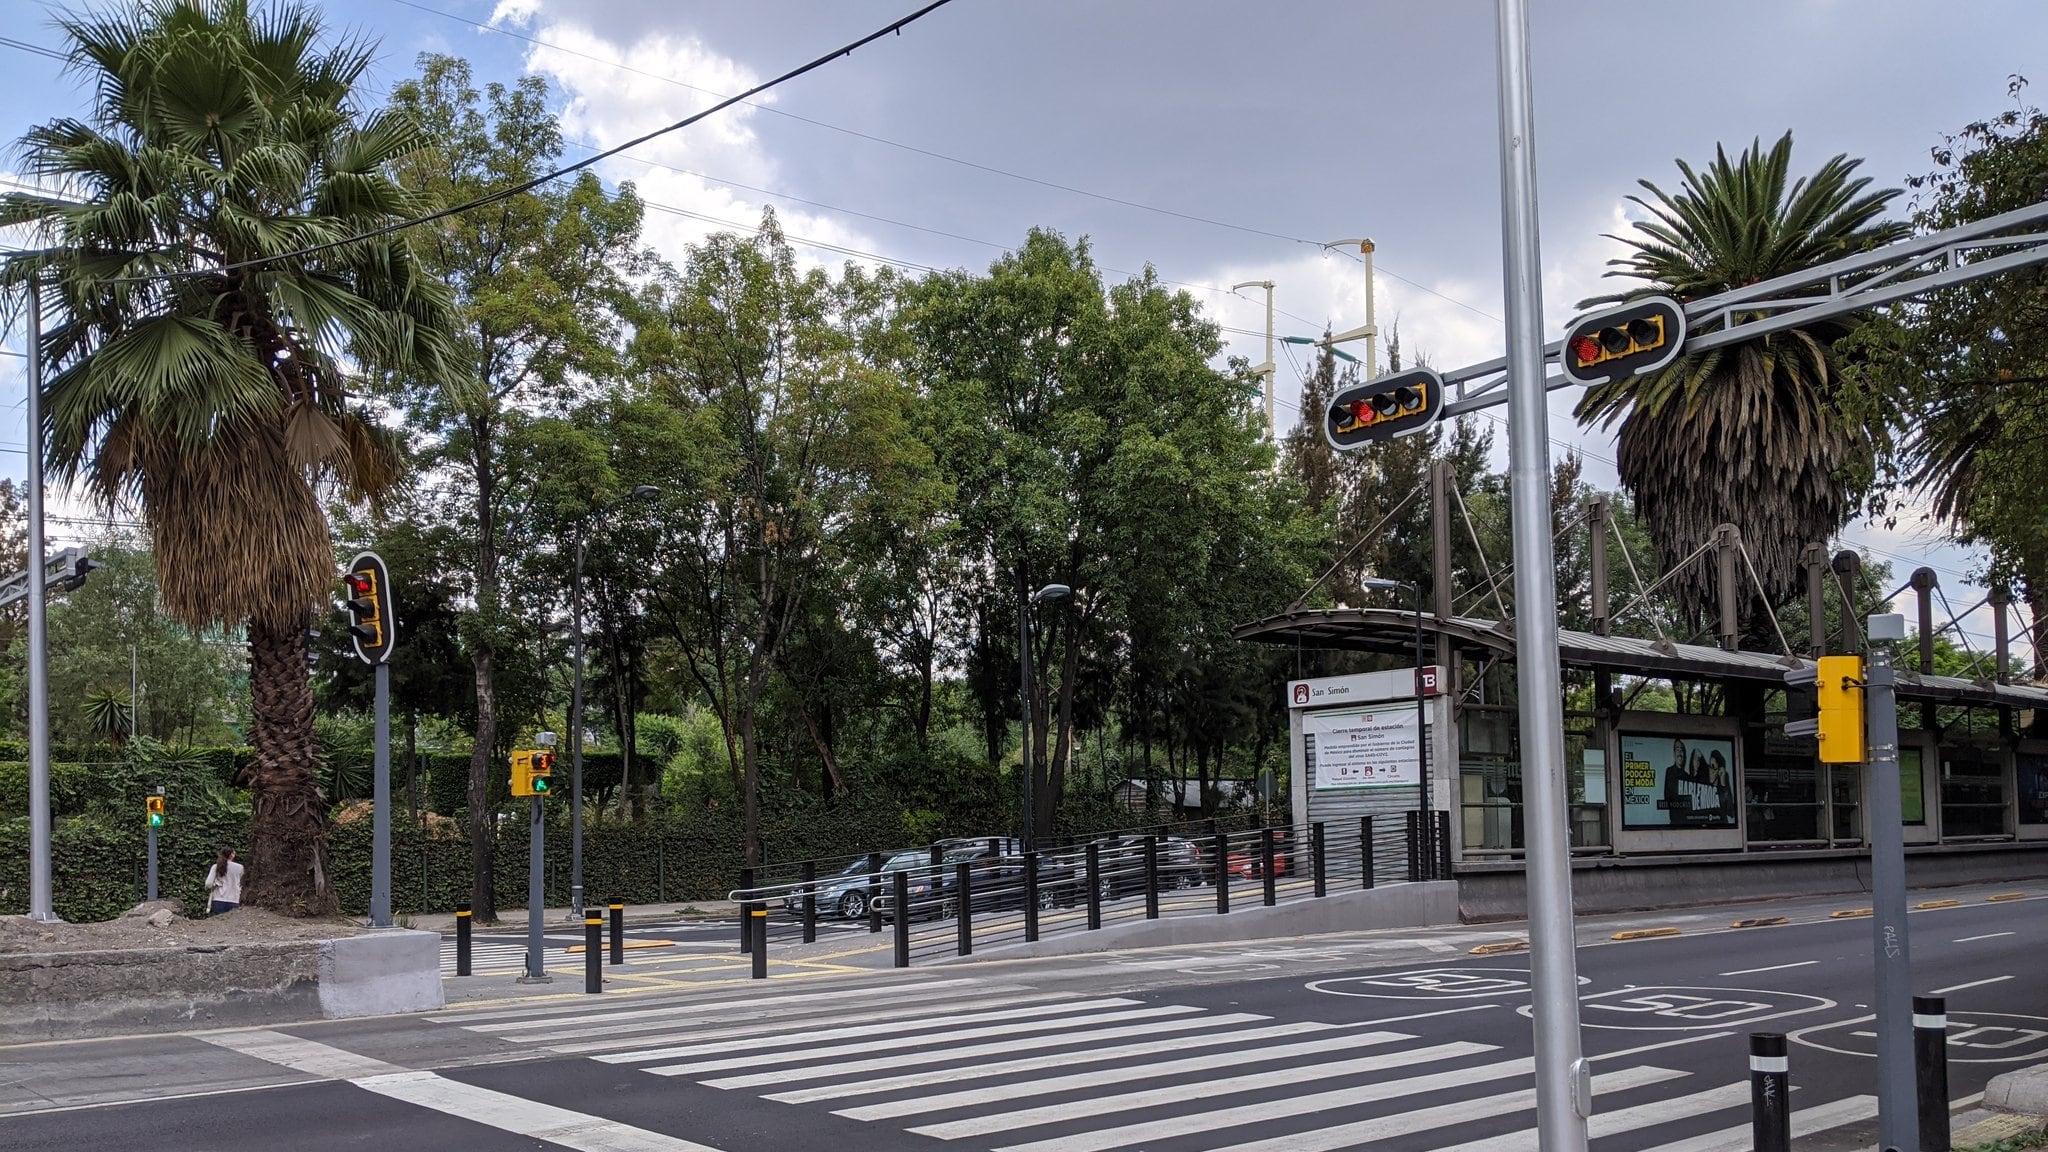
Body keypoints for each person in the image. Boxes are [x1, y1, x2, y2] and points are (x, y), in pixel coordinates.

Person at [205, 847, 243, 915]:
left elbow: (208, 884)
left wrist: (216, 884)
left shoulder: (216, 866)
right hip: (234, 899)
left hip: (218, 899)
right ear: (231, 855)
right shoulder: (240, 867)